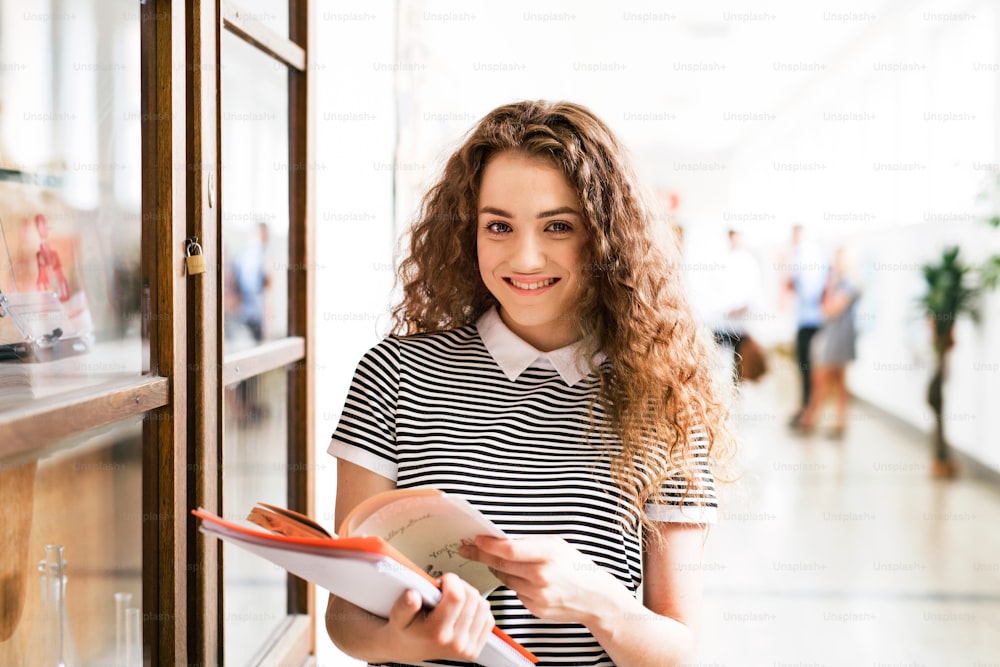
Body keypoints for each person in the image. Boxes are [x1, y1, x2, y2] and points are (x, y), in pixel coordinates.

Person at [324, 101, 733, 666]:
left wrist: (598, 602)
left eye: (558, 226)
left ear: (605, 237)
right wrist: (409, 641)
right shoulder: (393, 373)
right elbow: (346, 617)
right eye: (499, 226)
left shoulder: (665, 398)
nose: (526, 256)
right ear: (470, 233)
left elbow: (678, 650)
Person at [796, 248, 859, 439]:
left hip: (838, 339)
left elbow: (830, 310)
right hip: (832, 337)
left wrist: (828, 292)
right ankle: (835, 421)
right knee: (837, 381)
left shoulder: (847, 285)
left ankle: (811, 418)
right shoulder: (837, 283)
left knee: (822, 379)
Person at [784, 224, 826, 428]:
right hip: (807, 319)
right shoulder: (805, 254)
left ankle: (808, 411)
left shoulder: (808, 255)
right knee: (804, 366)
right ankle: (804, 408)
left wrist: (794, 283)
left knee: (808, 367)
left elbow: (810, 291)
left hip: (811, 320)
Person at [710, 228, 763, 382]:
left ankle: (735, 398)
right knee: (719, 366)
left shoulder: (749, 262)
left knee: (738, 367)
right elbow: (713, 292)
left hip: (740, 326)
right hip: (722, 323)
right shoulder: (720, 260)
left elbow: (754, 294)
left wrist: (742, 308)